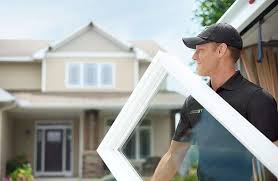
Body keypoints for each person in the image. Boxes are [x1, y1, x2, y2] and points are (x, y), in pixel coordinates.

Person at [151, 23, 278, 181]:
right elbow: (173, 156)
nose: (194, 56)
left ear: (221, 50)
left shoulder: (257, 99)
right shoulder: (194, 102)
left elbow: (275, 160)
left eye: (200, 50)